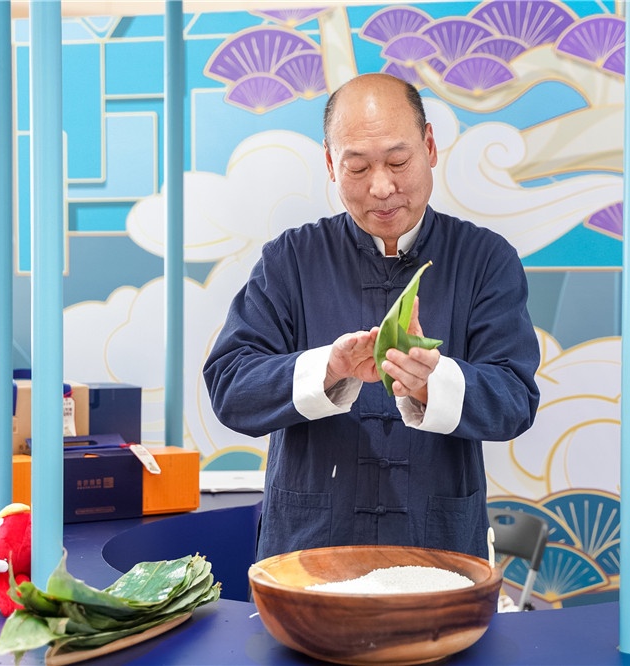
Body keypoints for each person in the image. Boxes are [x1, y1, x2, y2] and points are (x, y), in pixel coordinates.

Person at [203, 73, 540, 562]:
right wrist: (329, 369)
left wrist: (433, 381)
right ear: (330, 164)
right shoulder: (291, 259)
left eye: (398, 162)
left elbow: (515, 400)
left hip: (437, 543)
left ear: (429, 147)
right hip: (309, 544)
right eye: (357, 167)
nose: (382, 188)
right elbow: (230, 386)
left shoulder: (486, 259)